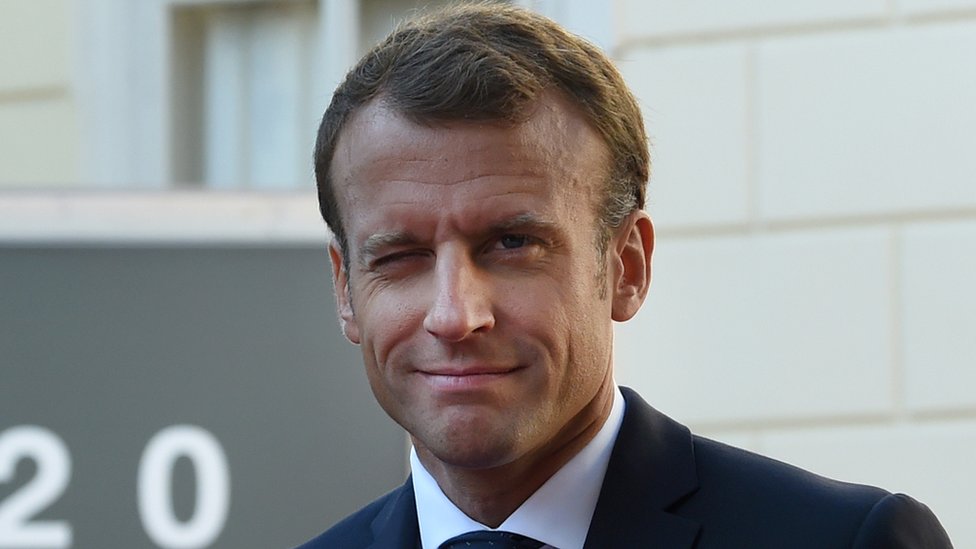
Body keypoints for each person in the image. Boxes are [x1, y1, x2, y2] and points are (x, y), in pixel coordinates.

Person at [298, 4, 952, 548]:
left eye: (512, 244)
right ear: (345, 289)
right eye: (400, 255)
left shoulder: (844, 539)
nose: (455, 314)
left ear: (627, 267)